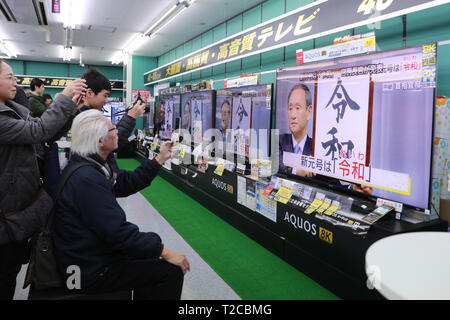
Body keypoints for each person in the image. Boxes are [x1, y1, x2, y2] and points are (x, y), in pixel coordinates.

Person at [52, 109, 189, 299]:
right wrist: (164, 251)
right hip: (87, 270)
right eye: (112, 129)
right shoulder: (88, 179)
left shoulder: (90, 165)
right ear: (99, 140)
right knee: (169, 272)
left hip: (87, 254)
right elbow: (117, 232)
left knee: (152, 241)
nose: (117, 131)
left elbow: (124, 183)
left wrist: (159, 159)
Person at [0, 59, 87, 300]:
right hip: (7, 218)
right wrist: (64, 99)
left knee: (10, 271)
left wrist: (71, 111)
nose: (15, 81)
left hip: (18, 214)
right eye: (9, 76)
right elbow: (38, 131)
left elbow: (42, 136)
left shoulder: (15, 111)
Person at [78, 68, 145, 155]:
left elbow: (113, 134)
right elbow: (112, 143)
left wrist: (128, 114)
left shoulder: (86, 114)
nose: (106, 101)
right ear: (90, 93)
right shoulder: (86, 118)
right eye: (105, 95)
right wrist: (130, 117)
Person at [279, 84, 313, 175]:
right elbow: (276, 164)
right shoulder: (279, 141)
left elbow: (333, 183)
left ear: (309, 112)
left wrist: (352, 188)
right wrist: (296, 171)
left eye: (297, 108)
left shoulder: (315, 148)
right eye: (290, 109)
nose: (293, 115)